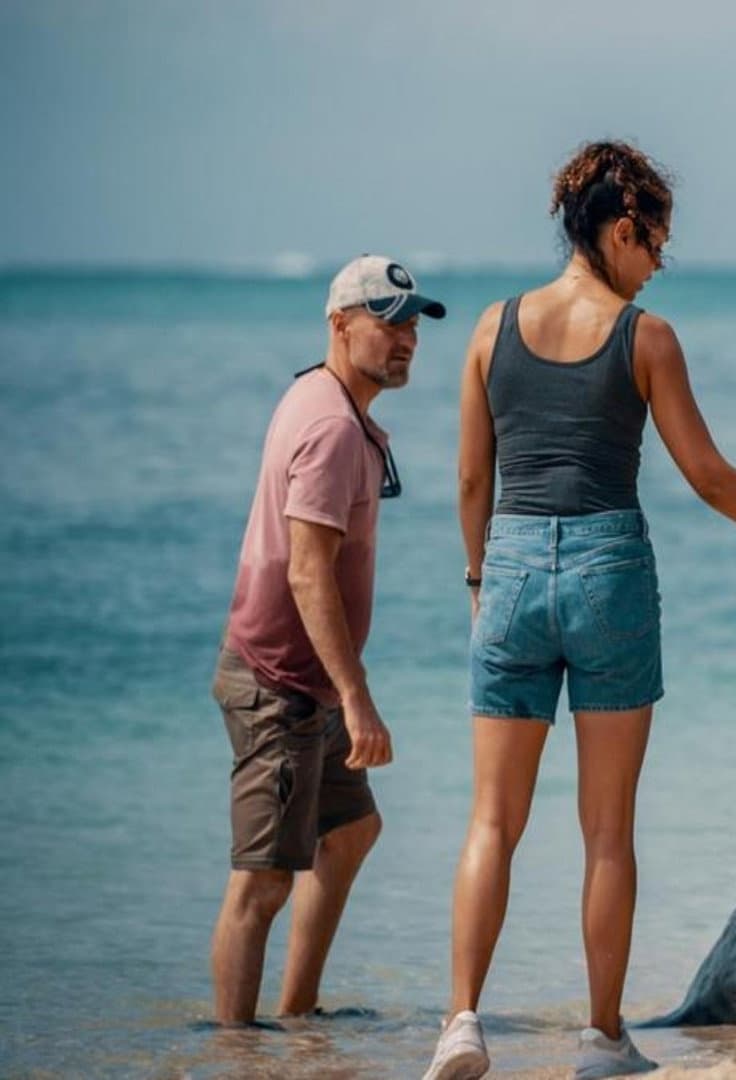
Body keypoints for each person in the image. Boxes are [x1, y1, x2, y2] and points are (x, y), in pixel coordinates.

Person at [424, 140, 736, 1080]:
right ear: (623, 228)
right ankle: (602, 1041)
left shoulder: (488, 328)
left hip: (510, 564)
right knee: (607, 828)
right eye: (655, 246)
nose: (656, 268)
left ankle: (461, 1025)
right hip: (606, 567)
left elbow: (472, 478)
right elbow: (709, 478)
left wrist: (482, 581)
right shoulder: (645, 337)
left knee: (490, 822)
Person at [209, 255, 445, 1023]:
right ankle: (236, 1056)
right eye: (388, 319)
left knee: (350, 831)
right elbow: (309, 574)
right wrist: (357, 696)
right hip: (279, 681)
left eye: (412, 322)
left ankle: (297, 1018)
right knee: (262, 883)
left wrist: (340, 689)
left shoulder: (320, 392)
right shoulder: (332, 427)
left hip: (305, 679)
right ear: (339, 323)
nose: (405, 337)